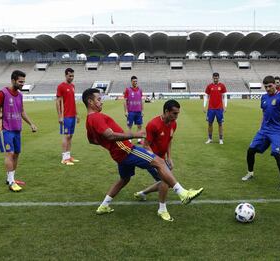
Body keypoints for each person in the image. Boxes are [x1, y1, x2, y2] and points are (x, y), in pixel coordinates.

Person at [82, 88, 203, 216]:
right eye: (99, 99)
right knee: (160, 162)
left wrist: (108, 145)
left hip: (118, 153)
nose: (101, 102)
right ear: (90, 101)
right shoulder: (96, 117)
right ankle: (182, 193)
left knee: (124, 179)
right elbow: (110, 135)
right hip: (126, 150)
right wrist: (135, 134)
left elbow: (92, 140)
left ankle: (104, 205)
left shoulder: (89, 120)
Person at [0, 70, 37, 192]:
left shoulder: (20, 95)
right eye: (20, 82)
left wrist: (31, 123)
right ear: (13, 80)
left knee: (16, 154)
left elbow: (21, 111)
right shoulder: (3, 93)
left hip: (17, 129)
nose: (22, 84)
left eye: (23, 82)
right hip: (5, 129)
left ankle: (11, 178)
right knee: (10, 154)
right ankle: (11, 182)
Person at [241, 76, 280, 191]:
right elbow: (264, 114)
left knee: (277, 154)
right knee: (251, 150)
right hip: (263, 130)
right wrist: (260, 128)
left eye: (270, 86)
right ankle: (250, 173)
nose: (268, 89)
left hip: (276, 131)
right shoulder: (263, 97)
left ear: (275, 84)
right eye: (266, 86)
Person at [133, 100, 180, 222]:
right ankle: (162, 209)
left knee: (167, 182)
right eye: (174, 113)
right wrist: (157, 160)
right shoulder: (153, 124)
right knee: (166, 180)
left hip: (162, 158)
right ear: (166, 111)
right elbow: (145, 145)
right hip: (150, 157)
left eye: (177, 114)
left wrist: (169, 157)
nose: (176, 116)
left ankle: (142, 193)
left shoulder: (173, 124)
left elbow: (169, 140)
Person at [56, 68, 80, 166]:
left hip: (72, 115)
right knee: (66, 136)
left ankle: (68, 156)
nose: (71, 77)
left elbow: (73, 101)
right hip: (65, 115)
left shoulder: (73, 86)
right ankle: (64, 158)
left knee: (70, 136)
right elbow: (58, 102)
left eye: (73, 76)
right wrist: (60, 116)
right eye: (70, 76)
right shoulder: (61, 86)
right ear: (65, 75)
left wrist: (76, 114)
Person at [203, 72, 227, 144]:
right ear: (212, 78)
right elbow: (206, 96)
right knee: (210, 123)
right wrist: (204, 106)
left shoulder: (222, 86)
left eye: (217, 77)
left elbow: (225, 96)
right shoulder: (209, 86)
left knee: (220, 124)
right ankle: (210, 138)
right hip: (211, 108)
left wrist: (225, 106)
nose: (215, 78)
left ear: (218, 78)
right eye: (214, 77)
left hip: (219, 108)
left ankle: (221, 139)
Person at [124, 76, 143, 144]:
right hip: (131, 111)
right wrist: (126, 111)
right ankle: (129, 140)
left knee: (139, 125)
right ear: (131, 82)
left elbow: (141, 101)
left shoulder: (140, 90)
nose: (135, 82)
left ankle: (139, 140)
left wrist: (142, 111)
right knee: (129, 126)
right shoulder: (127, 89)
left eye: (136, 81)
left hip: (138, 111)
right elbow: (125, 101)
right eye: (134, 81)